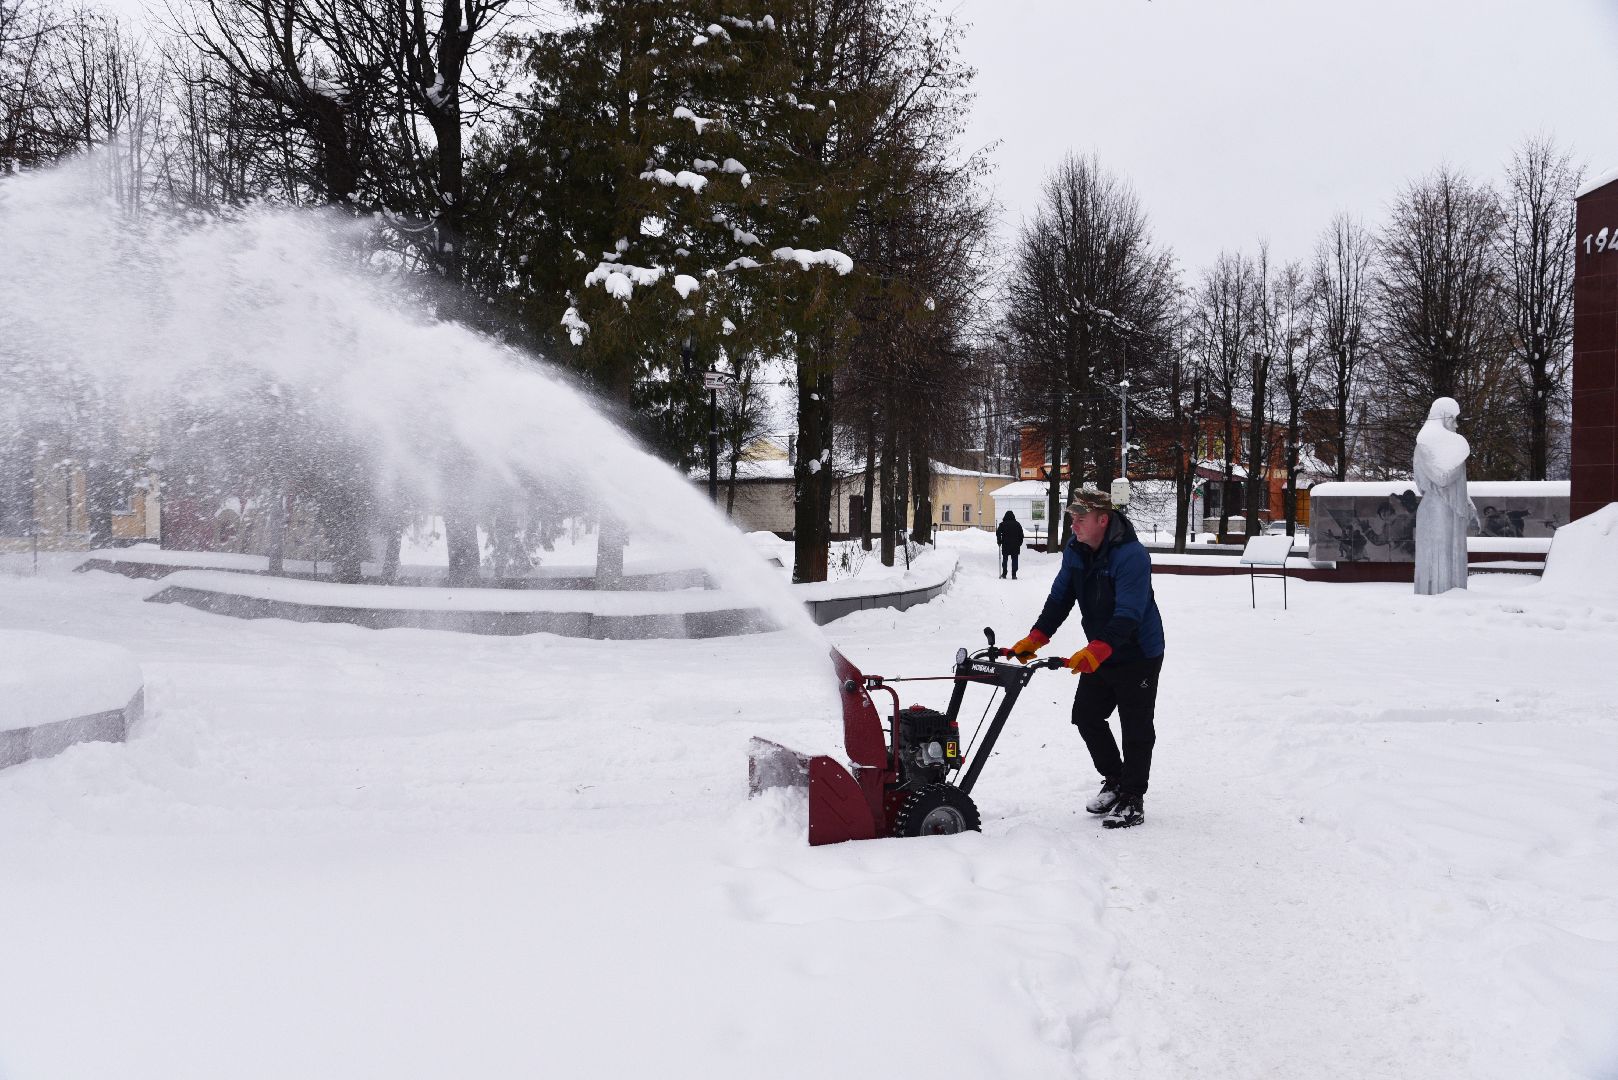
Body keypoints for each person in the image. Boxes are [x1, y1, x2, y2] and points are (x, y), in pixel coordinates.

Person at [1007, 486, 1165, 829]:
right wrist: (1036, 638)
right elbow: (1060, 597)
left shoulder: (1131, 555)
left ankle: (1133, 798)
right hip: (1101, 649)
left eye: (1081, 518)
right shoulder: (1076, 550)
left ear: (1102, 520)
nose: (1074, 524)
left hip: (1138, 652)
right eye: (1072, 518)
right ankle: (1116, 779)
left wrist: (1096, 650)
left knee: (1135, 726)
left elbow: (1129, 614)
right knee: (1086, 716)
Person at [995, 510, 1025, 579]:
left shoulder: (1002, 524)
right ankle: (1014, 574)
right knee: (1015, 559)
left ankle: (1004, 573)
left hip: (1005, 544)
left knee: (1005, 559)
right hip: (1015, 545)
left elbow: (998, 533)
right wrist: (1019, 543)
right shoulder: (1017, 524)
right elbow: (1021, 535)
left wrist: (999, 541)